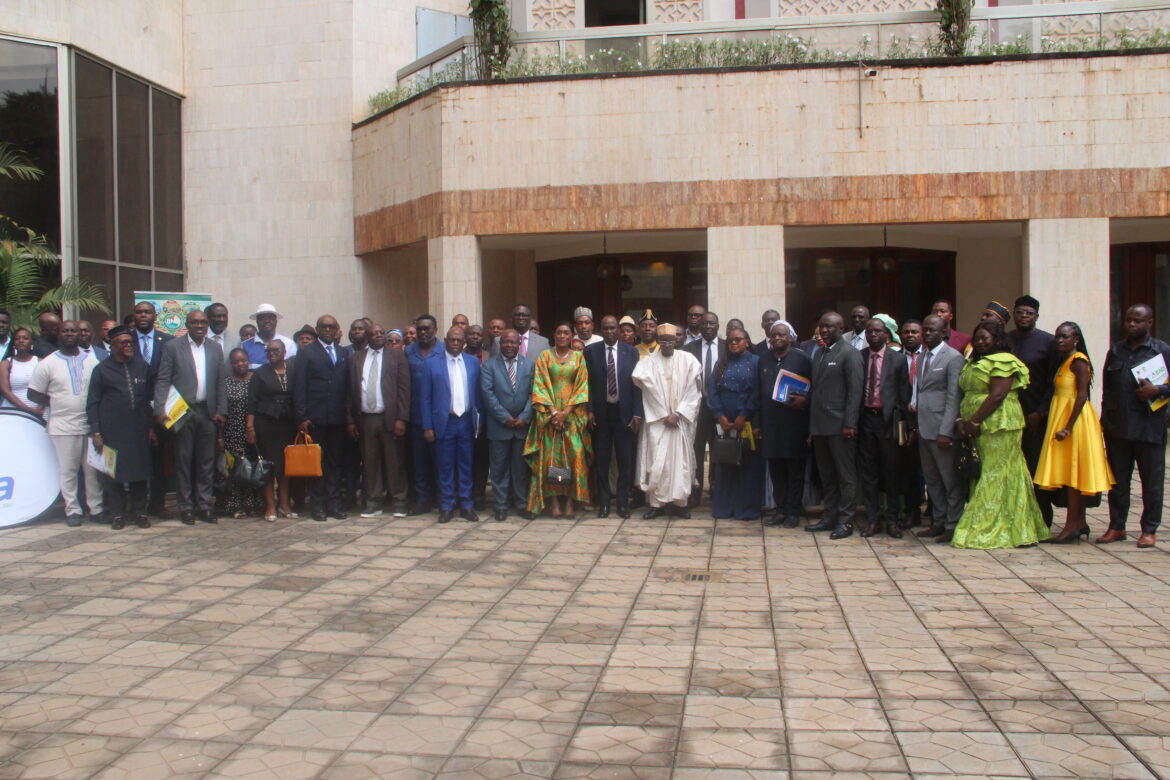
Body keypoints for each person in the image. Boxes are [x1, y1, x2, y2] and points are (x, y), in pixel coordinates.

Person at [951, 320, 1049, 549]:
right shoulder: (975, 361)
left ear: (997, 339)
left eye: (986, 337)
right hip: (976, 426)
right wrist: (963, 420)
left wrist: (975, 419)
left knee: (996, 473)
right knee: (984, 470)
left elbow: (997, 395)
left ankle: (987, 527)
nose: (981, 342)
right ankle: (1004, 524)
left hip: (999, 425)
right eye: (978, 338)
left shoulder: (1004, 360)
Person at [1033, 323, 1115, 543]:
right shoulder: (1063, 361)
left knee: (1074, 472)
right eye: (1058, 336)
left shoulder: (1079, 360)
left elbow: (1082, 395)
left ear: (1075, 338)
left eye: (1065, 336)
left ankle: (1071, 526)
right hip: (1062, 417)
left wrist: (1068, 427)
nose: (1059, 340)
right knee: (1070, 474)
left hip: (1075, 422)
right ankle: (1078, 523)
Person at [1098, 304, 1170, 549]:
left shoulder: (1161, 350)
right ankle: (1117, 526)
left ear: (1149, 323)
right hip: (1118, 427)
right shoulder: (1117, 350)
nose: (1131, 324)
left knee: (1152, 481)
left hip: (1149, 428)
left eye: (1137, 321)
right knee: (1118, 481)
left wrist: (1158, 390)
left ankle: (1149, 529)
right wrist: (1105, 418)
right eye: (1129, 320)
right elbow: (1107, 386)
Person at [153, 309, 228, 525]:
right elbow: (163, 379)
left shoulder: (214, 348)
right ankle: (185, 506)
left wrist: (221, 410)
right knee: (183, 460)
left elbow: (220, 382)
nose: (199, 326)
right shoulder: (172, 347)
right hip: (182, 411)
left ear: (208, 324)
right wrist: (159, 409)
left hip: (208, 411)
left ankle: (204, 505)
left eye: (203, 322)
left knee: (206, 461)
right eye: (195, 322)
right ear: (187, 323)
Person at [27, 321, 104, 526]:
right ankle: (72, 510)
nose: (70, 334)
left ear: (80, 334)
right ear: (58, 334)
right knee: (68, 471)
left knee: (92, 471)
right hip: (63, 426)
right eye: (65, 331)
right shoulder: (47, 363)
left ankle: (96, 509)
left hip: (89, 426)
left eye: (73, 331)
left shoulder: (91, 361)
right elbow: (32, 392)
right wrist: (54, 402)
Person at [87, 326, 153, 530]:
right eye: (123, 343)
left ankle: (140, 512)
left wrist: (150, 428)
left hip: (139, 430)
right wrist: (96, 432)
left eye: (130, 342)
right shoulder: (102, 370)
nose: (128, 346)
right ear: (113, 345)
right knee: (112, 475)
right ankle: (117, 514)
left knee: (140, 474)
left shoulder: (142, 367)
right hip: (111, 431)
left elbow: (150, 399)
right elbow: (93, 403)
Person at [633, 325, 703, 518]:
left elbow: (694, 392)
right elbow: (647, 392)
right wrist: (664, 414)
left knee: (680, 462)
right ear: (658, 341)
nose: (666, 345)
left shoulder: (688, 360)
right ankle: (657, 505)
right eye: (663, 341)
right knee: (658, 462)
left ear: (676, 341)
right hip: (658, 422)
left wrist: (678, 414)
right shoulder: (648, 363)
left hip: (680, 422)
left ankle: (680, 503)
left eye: (670, 341)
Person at [806, 312, 864, 540]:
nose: (824, 330)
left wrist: (850, 423)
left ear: (841, 329)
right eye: (822, 326)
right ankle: (829, 516)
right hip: (820, 426)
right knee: (826, 476)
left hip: (841, 427)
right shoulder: (819, 353)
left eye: (830, 327)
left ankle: (846, 520)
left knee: (845, 476)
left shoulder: (850, 354)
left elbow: (855, 392)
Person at [524, 322, 591, 519]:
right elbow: (541, 384)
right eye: (559, 332)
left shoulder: (579, 357)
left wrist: (566, 412)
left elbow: (582, 386)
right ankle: (554, 501)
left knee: (574, 457)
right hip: (549, 415)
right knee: (552, 458)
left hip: (572, 415)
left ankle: (570, 501)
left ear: (572, 336)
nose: (562, 335)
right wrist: (554, 413)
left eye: (566, 333)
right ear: (554, 335)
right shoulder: (545, 357)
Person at [347, 323, 410, 518]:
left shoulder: (397, 356)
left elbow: (404, 389)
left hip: (389, 417)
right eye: (374, 333)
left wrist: (402, 418)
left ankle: (399, 500)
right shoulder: (355, 358)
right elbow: (349, 391)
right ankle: (374, 501)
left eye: (382, 333)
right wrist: (350, 420)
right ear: (367, 336)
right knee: (370, 462)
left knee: (394, 461)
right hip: (366, 418)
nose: (379, 336)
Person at [420, 327, 482, 523]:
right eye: (452, 340)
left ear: (464, 342)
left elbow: (478, 395)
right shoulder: (431, 363)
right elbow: (425, 398)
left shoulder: (473, 362)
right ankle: (446, 505)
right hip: (443, 422)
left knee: (466, 464)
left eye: (459, 340)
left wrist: (480, 421)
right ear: (445, 340)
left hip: (466, 421)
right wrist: (427, 425)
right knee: (444, 466)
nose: (455, 343)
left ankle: (466, 504)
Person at [856, 316, 911, 538]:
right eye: (869, 332)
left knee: (891, 471)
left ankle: (892, 519)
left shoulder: (897, 359)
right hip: (866, 419)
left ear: (886, 334)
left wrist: (901, 421)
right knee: (869, 473)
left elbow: (903, 392)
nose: (873, 335)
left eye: (877, 331)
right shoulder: (859, 357)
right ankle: (872, 519)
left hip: (888, 421)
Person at [292, 314, 350, 521]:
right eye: (323, 327)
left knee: (334, 463)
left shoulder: (343, 353)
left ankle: (334, 503)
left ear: (336, 330)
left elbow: (347, 388)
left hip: (337, 418)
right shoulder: (306, 353)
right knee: (317, 463)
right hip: (314, 418)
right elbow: (299, 386)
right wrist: (301, 417)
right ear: (317, 329)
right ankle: (317, 505)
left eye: (331, 327)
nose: (327, 330)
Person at [584, 315, 643, 519]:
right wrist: (589, 409)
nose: (609, 332)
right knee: (602, 460)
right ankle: (604, 503)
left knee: (625, 460)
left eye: (612, 328)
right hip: (601, 414)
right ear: (601, 330)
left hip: (624, 413)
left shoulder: (631, 352)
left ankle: (622, 503)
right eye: (605, 328)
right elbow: (588, 384)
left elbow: (637, 385)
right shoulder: (591, 351)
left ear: (618, 329)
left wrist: (637, 412)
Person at [913, 315, 965, 540]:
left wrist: (946, 430)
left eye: (932, 330)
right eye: (925, 329)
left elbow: (954, 396)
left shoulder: (953, 358)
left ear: (944, 331)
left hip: (942, 430)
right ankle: (939, 520)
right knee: (932, 479)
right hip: (924, 426)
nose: (927, 334)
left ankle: (953, 524)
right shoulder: (923, 355)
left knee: (948, 479)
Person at [1008, 295, 1057, 527]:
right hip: (1008, 417)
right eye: (1020, 312)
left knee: (1036, 470)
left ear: (1036, 316)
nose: (1024, 316)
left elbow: (1053, 382)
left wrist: (1041, 411)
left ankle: (1042, 519)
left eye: (1028, 313)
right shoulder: (1006, 340)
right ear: (1014, 314)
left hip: (1036, 417)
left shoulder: (1048, 342)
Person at [758, 321, 810, 528]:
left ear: (790, 338)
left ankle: (793, 511)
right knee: (777, 472)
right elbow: (757, 395)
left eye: (782, 335)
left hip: (794, 426)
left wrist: (806, 401)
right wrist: (757, 423)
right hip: (771, 426)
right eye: (774, 336)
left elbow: (815, 387)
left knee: (794, 472)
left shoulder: (802, 359)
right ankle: (780, 510)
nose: (778, 339)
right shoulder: (763, 360)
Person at [707, 326, 763, 521]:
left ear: (746, 341)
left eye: (738, 339)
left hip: (746, 419)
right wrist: (720, 415)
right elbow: (712, 390)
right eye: (730, 340)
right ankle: (724, 508)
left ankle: (745, 509)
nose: (734, 343)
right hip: (724, 420)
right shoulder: (720, 363)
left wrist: (743, 415)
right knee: (726, 460)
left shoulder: (755, 362)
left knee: (746, 463)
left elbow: (757, 391)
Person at [481, 329, 537, 522]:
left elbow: (533, 393)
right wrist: (505, 417)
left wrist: (524, 416)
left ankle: (522, 505)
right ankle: (501, 505)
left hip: (522, 426)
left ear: (518, 343)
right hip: (499, 427)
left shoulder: (529, 365)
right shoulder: (489, 366)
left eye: (513, 342)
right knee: (499, 469)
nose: (509, 346)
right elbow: (488, 395)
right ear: (500, 343)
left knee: (521, 469)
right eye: (505, 342)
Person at [247, 339, 298, 521]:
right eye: (268, 351)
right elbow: (251, 402)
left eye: (276, 350)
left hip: (288, 424)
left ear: (284, 351)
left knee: (286, 467)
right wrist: (250, 427)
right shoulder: (259, 373)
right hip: (266, 425)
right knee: (268, 466)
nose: (272, 353)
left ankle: (284, 504)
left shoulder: (293, 371)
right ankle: (270, 505)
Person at [684, 312, 724, 507]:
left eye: (711, 323)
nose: (708, 326)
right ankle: (695, 491)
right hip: (697, 409)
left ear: (717, 325)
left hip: (720, 410)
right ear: (699, 325)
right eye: (704, 323)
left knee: (720, 449)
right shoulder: (688, 349)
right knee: (696, 450)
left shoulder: (727, 347)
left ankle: (717, 489)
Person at [219, 348, 264, 519]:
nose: (240, 364)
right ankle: (234, 505)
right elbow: (221, 410)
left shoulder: (256, 379)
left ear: (248, 361)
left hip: (254, 430)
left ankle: (253, 504)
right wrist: (220, 436)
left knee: (254, 467)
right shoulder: (226, 382)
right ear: (231, 364)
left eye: (243, 360)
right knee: (236, 469)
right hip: (232, 431)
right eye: (236, 361)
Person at [405, 314, 442, 514]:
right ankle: (422, 499)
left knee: (441, 461)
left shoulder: (444, 350)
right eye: (419, 329)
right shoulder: (408, 352)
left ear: (435, 329)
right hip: (416, 416)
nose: (423, 332)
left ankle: (441, 498)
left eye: (427, 329)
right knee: (419, 462)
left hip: (441, 417)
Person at [898, 318, 925, 527]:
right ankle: (911, 510)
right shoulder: (895, 358)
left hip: (928, 418)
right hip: (903, 420)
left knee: (930, 468)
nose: (910, 335)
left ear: (921, 334)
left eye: (914, 332)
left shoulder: (930, 357)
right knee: (908, 467)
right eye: (906, 332)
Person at [242, 303, 297, 369]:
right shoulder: (245, 346)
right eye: (262, 318)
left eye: (270, 318)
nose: (267, 321)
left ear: (276, 321)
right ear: (257, 321)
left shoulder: (289, 344)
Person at [0, 328, 42, 415]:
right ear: (13, 343)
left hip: (40, 412)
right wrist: (28, 410)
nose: (21, 341)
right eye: (17, 338)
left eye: (25, 338)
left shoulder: (41, 362)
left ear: (32, 343)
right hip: (14, 411)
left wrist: (39, 409)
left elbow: (47, 388)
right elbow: (5, 391)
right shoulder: (5, 364)